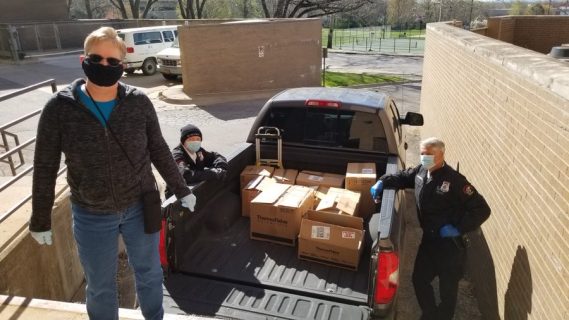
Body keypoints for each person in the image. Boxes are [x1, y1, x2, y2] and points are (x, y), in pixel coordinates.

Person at [28, 27, 196, 320]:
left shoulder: (138, 102)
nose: (104, 66)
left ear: (123, 65)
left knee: (150, 273)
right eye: (97, 58)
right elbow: (45, 165)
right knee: (101, 286)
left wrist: (181, 189)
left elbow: (158, 150)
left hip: (141, 206)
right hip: (92, 214)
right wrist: (40, 218)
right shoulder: (59, 108)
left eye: (112, 61)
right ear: (84, 59)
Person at [370, 137, 491, 320]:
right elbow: (402, 177)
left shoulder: (455, 181)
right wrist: (382, 181)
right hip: (429, 242)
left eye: (428, 154)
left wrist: (458, 228)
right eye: (422, 154)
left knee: (447, 291)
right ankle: (430, 314)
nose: (424, 158)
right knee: (419, 279)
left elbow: (482, 209)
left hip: (450, 246)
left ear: (441, 154)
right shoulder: (421, 172)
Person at [164, 124, 228, 199]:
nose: (195, 142)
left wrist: (221, 166)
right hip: (177, 196)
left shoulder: (198, 151)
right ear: (183, 141)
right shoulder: (177, 155)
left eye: (198, 139)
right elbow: (185, 175)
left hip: (196, 191)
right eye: (191, 139)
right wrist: (212, 173)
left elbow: (214, 156)